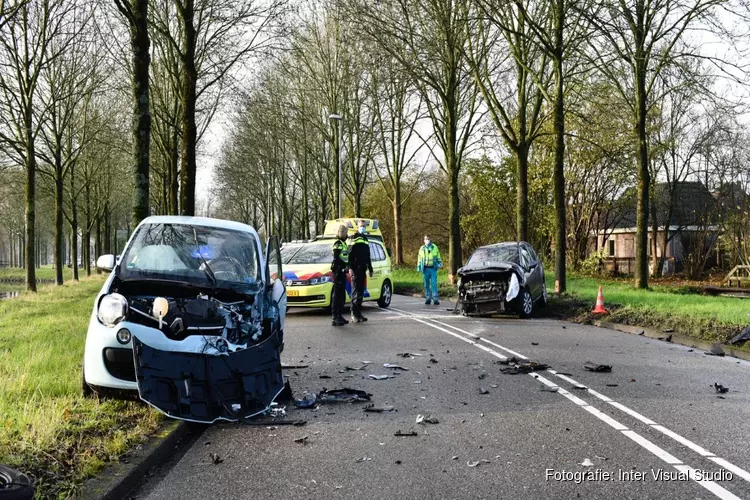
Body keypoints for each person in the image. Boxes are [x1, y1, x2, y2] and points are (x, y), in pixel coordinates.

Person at [348, 220, 373, 322]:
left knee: (361, 292)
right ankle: (354, 314)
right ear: (357, 227)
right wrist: (349, 268)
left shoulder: (365, 239)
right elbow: (349, 254)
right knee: (355, 292)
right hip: (355, 268)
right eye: (361, 226)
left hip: (363, 268)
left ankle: (359, 313)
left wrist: (370, 269)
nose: (363, 227)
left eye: (364, 226)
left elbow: (368, 256)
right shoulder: (354, 237)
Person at [330, 224, 350, 326]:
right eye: (346, 233)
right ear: (342, 233)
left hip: (342, 272)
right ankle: (335, 316)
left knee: (342, 295)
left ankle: (340, 315)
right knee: (337, 295)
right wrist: (342, 268)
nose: (347, 235)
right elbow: (336, 259)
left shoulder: (343, 243)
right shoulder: (338, 243)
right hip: (338, 272)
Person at [417, 235, 442, 305]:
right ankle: (428, 299)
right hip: (425, 269)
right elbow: (419, 258)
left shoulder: (434, 247)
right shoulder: (422, 248)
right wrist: (419, 266)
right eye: (425, 239)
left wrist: (439, 263)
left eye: (428, 239)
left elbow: (438, 256)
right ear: (424, 240)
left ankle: (435, 299)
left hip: (433, 268)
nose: (427, 240)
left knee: (434, 284)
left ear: (430, 239)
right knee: (426, 284)